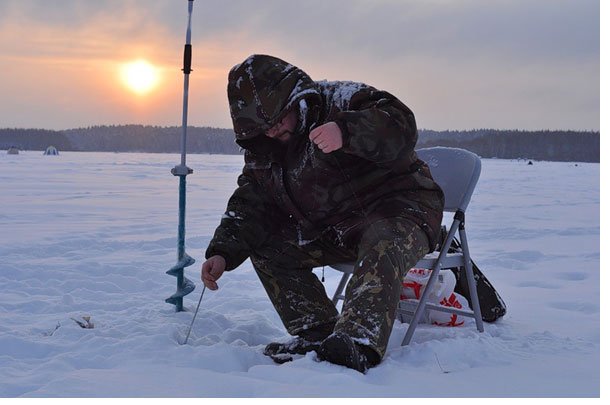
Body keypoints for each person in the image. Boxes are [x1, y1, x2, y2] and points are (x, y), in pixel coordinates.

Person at [201, 54, 444, 373]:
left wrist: (346, 132)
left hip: (403, 210)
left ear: (294, 99)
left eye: (277, 121)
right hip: (337, 227)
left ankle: (359, 342)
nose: (272, 132)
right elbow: (252, 201)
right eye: (264, 127)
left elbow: (401, 126)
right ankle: (318, 332)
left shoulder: (342, 100)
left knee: (381, 240)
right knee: (266, 249)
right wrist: (223, 251)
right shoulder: (264, 148)